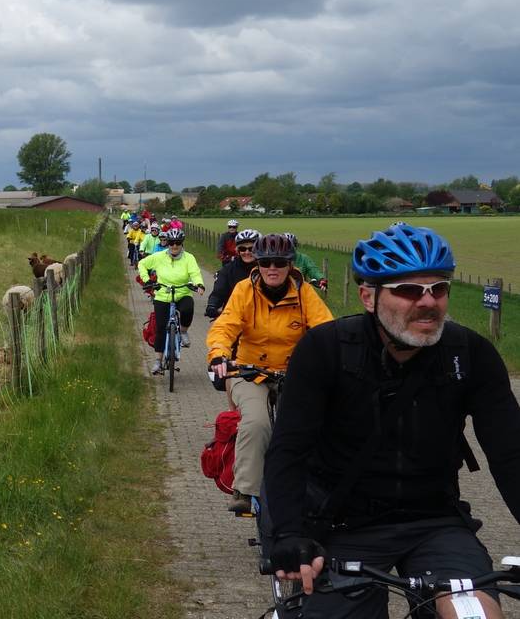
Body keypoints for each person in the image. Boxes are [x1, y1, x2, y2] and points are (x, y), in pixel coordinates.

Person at [262, 225, 520, 618]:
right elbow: (288, 451)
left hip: (436, 523)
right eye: (408, 290)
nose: (428, 302)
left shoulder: (470, 354)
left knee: (476, 615)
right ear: (369, 296)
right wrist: (289, 533)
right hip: (341, 526)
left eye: (439, 288)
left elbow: (511, 453)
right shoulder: (326, 350)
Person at [206, 233, 334, 513]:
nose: (272, 269)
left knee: (310, 425)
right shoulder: (243, 290)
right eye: (266, 263)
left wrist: (332, 358)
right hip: (250, 372)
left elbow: (325, 329)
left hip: (294, 373)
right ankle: (245, 491)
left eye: (279, 262)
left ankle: (319, 488)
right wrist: (219, 354)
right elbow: (225, 325)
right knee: (256, 423)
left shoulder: (304, 292)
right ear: (258, 265)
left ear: (290, 265)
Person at [137, 228, 205, 375]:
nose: (174, 246)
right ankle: (158, 361)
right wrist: (147, 280)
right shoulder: (159, 256)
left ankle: (183, 331)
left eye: (178, 243)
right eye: (171, 243)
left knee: (188, 307)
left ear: (182, 243)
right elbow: (142, 264)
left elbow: (195, 272)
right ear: (167, 243)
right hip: (163, 294)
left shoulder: (189, 258)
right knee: (160, 327)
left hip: (182, 292)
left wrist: (199, 284)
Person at [204, 228, 260, 319]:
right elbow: (218, 291)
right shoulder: (228, 269)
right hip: (233, 316)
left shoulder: (266, 269)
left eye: (251, 249)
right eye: (242, 249)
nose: (247, 252)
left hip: (260, 317)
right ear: (237, 250)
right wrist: (212, 305)